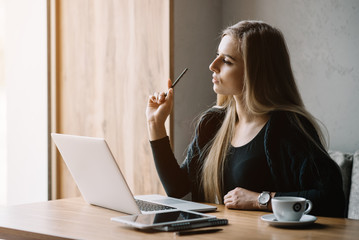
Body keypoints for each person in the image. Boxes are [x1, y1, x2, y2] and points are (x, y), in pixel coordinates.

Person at [146, 20, 345, 217]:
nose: (212, 66)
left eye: (226, 61)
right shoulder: (213, 123)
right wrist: (155, 125)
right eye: (217, 56)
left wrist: (261, 200)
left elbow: (331, 199)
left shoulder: (289, 127)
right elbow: (180, 192)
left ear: (256, 72)